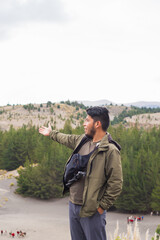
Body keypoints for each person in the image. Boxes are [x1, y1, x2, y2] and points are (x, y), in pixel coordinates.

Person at [39, 106, 123, 240]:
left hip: (92, 211)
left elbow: (116, 183)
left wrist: (101, 207)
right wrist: (52, 133)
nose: (84, 123)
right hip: (73, 205)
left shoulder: (110, 150)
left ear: (97, 124)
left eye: (87, 120)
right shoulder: (82, 140)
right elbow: (66, 138)